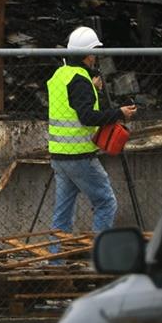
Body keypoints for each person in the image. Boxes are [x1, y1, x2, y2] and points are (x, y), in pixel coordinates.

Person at [47, 26, 137, 240]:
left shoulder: (61, 75)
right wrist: (119, 114)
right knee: (106, 202)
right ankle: (98, 255)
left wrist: (92, 89)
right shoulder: (80, 81)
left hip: (60, 156)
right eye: (94, 53)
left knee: (62, 213)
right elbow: (86, 116)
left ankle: (55, 260)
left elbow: (71, 105)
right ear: (88, 55)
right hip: (80, 157)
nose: (95, 58)